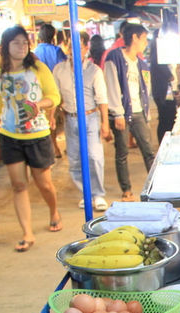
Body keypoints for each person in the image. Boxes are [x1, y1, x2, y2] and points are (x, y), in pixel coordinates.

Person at [0, 24, 62, 252]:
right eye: (16, 43)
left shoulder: (38, 69)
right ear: (6, 46)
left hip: (37, 134)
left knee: (44, 183)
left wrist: (38, 105)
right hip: (9, 135)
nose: (21, 47)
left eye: (24, 43)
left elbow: (54, 96)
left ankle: (53, 211)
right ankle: (27, 233)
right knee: (18, 185)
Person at [53, 32, 112, 212]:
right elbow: (55, 97)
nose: (74, 50)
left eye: (79, 46)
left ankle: (99, 193)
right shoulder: (59, 70)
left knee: (94, 156)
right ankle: (85, 194)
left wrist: (105, 123)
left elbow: (102, 98)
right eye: (71, 46)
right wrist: (52, 119)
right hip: (70, 118)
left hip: (91, 117)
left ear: (86, 48)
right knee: (75, 159)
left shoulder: (94, 70)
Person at [104, 23, 156, 201]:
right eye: (144, 39)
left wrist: (146, 113)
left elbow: (146, 89)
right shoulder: (115, 57)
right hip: (122, 113)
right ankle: (126, 190)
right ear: (134, 37)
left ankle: (155, 186)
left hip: (139, 112)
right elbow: (111, 85)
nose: (145, 43)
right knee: (122, 152)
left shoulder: (142, 64)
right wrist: (117, 113)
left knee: (149, 151)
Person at [34, 23, 66, 159]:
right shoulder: (57, 51)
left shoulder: (35, 52)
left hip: (41, 91)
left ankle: (54, 147)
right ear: (53, 35)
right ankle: (58, 148)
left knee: (48, 120)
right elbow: (63, 68)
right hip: (56, 89)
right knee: (63, 118)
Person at [150, 31, 176, 143]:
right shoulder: (158, 55)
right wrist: (170, 75)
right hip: (162, 92)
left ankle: (165, 141)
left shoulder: (158, 54)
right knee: (165, 118)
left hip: (163, 91)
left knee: (166, 117)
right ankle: (163, 143)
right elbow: (168, 75)